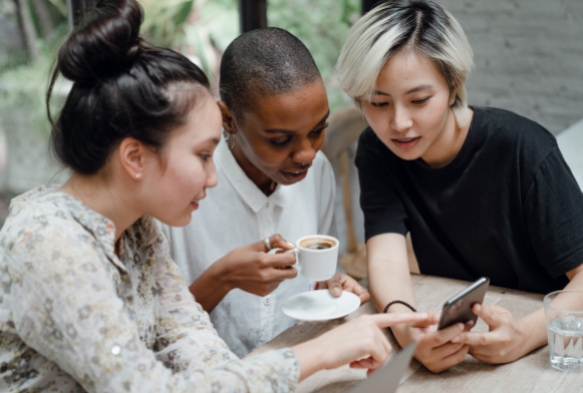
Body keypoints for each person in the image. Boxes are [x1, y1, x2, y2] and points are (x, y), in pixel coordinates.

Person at [0, 0, 438, 391]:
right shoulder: (47, 240)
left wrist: (319, 354)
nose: (214, 178)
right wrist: (316, 355)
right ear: (135, 157)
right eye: (205, 155)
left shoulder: (138, 232)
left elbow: (199, 352)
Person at [335, 0, 583, 374]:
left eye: (419, 100)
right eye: (378, 103)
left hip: (552, 342)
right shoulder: (377, 149)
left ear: (453, 86)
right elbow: (386, 257)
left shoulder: (523, 147)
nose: (399, 123)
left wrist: (527, 334)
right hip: (459, 329)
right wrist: (409, 332)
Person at [161, 27, 370, 358]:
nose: (306, 155)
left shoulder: (318, 175)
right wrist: (221, 279)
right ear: (227, 119)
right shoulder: (180, 194)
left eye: (318, 131)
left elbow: (318, 281)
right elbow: (151, 335)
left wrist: (331, 284)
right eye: (280, 140)